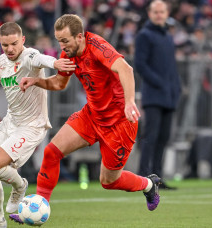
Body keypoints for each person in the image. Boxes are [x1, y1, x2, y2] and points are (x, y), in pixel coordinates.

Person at [9, 14, 162, 224]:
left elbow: (125, 69)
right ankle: (38, 206)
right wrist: (35, 81)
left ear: (79, 37)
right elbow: (59, 84)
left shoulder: (98, 46)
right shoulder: (69, 53)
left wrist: (129, 102)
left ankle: (148, 185)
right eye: (58, 40)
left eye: (65, 41)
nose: (61, 45)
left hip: (119, 124)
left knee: (108, 181)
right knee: (51, 152)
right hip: (91, 116)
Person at [0, 22, 75, 228]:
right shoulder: (0, 63)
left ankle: (20, 186)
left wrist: (56, 64)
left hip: (32, 126)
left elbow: (42, 58)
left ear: (23, 41)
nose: (10, 49)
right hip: (11, 122)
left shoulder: (29, 56)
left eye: (14, 44)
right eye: (5, 45)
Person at [134, 0, 180, 189]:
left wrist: (176, 87)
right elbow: (140, 65)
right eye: (156, 11)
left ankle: (157, 179)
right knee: (150, 137)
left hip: (169, 96)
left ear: (167, 12)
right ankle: (144, 178)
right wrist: (161, 84)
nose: (159, 15)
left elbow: (171, 68)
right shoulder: (144, 35)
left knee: (163, 138)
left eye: (162, 11)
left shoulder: (168, 36)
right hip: (153, 95)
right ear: (150, 13)